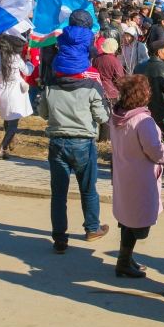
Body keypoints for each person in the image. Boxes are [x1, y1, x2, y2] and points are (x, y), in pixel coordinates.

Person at [38, 26, 110, 251]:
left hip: (57, 142)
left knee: (58, 194)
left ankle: (60, 238)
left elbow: (43, 114)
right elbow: (102, 116)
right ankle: (91, 228)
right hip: (82, 142)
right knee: (88, 188)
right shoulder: (91, 86)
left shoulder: (51, 85)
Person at [109, 75, 164, 276]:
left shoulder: (117, 115)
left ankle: (125, 257)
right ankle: (123, 262)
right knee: (135, 223)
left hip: (123, 174)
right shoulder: (143, 121)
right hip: (140, 178)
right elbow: (156, 151)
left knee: (127, 219)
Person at [0, 35, 34, 160]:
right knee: (13, 123)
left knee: (7, 120)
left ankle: (9, 143)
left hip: (0, 93)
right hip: (15, 93)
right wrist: (29, 61)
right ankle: (2, 148)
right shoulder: (15, 57)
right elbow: (27, 72)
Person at [133, 39, 164, 139]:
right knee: (159, 141)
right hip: (160, 114)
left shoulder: (138, 68)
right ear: (159, 52)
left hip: (141, 110)